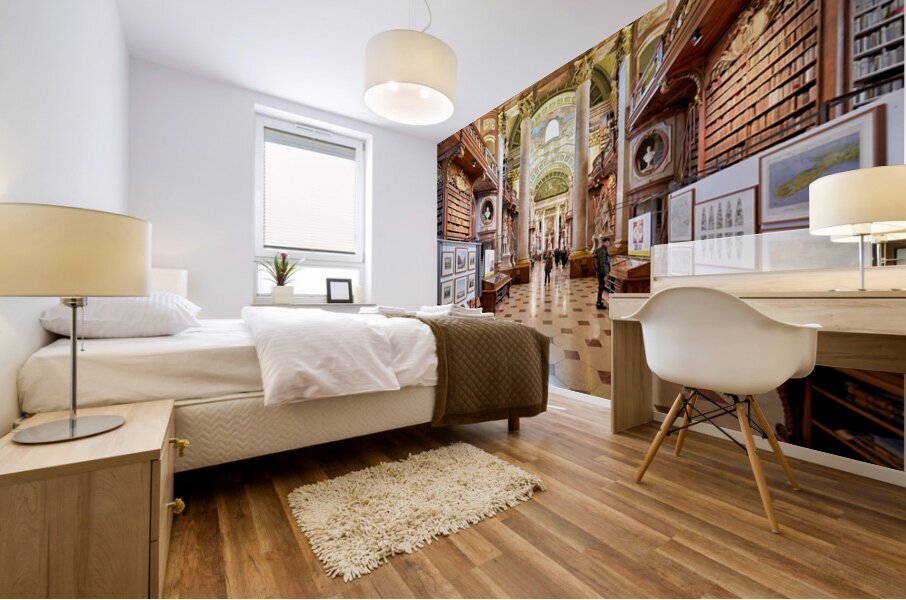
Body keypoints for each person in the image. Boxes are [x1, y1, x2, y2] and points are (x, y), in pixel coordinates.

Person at [595, 238, 611, 310]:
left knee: (601, 287)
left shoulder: (603, 249)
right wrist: (605, 274)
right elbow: (602, 263)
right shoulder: (602, 251)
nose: (608, 244)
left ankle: (599, 302)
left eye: (608, 242)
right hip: (602, 273)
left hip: (600, 272)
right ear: (604, 242)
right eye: (607, 242)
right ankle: (599, 303)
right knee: (601, 287)